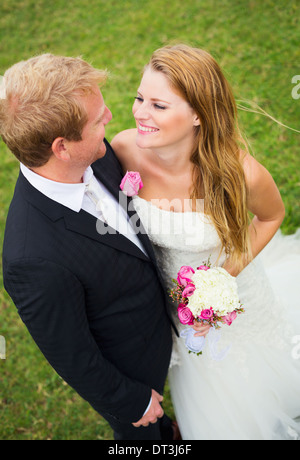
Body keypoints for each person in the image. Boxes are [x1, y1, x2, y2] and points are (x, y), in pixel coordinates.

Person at [111, 44, 300, 440]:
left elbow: (271, 217)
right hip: (168, 306)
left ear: (198, 113)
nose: (140, 113)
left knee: (252, 378)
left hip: (231, 297)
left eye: (158, 106)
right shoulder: (125, 150)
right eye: (139, 97)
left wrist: (219, 281)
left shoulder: (240, 174)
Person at [0, 53, 180, 440]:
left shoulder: (93, 156)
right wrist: (129, 401)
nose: (112, 118)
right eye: (98, 120)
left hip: (170, 331)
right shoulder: (32, 258)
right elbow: (71, 354)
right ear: (62, 147)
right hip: (134, 373)